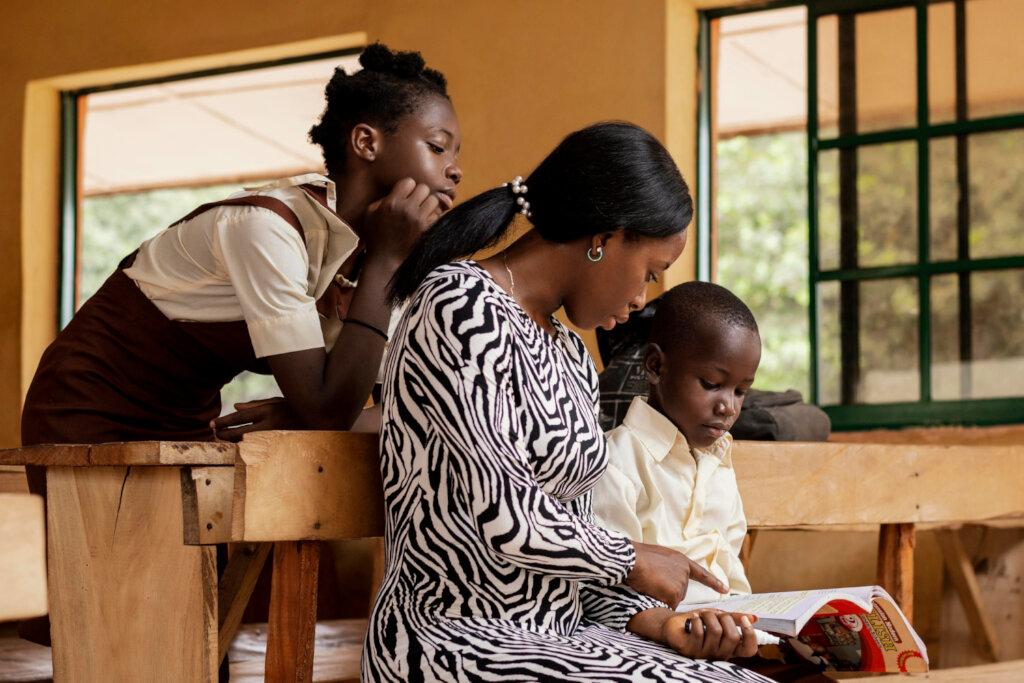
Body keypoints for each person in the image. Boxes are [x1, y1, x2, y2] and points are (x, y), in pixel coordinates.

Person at [364, 122, 771, 682]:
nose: (639, 300)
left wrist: (654, 623)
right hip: (457, 638)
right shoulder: (459, 305)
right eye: (649, 273)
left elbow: (574, 549)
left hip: (562, 635)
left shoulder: (571, 355)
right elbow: (503, 513)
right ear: (605, 237)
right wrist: (632, 558)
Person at [21, 42, 462, 453]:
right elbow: (328, 410)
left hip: (187, 427)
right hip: (88, 414)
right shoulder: (265, 227)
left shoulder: (383, 255)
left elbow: (400, 415)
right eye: (438, 147)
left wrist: (303, 417)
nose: (455, 171)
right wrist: (385, 262)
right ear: (367, 143)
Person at [593, 281, 761, 607]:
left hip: (721, 628)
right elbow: (611, 588)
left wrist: (752, 618)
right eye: (712, 384)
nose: (728, 406)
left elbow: (730, 569)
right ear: (656, 366)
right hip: (648, 637)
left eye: (741, 391)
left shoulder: (719, 463)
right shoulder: (617, 463)